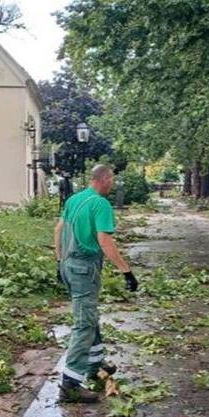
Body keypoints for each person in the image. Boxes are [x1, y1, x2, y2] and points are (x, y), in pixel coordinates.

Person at [54, 164, 138, 403]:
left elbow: (58, 229)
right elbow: (104, 240)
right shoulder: (100, 204)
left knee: (89, 315)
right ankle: (70, 384)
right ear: (105, 178)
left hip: (68, 265)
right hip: (84, 267)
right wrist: (126, 271)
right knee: (85, 323)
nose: (112, 184)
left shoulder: (74, 199)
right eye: (111, 179)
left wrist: (59, 261)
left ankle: (94, 365)